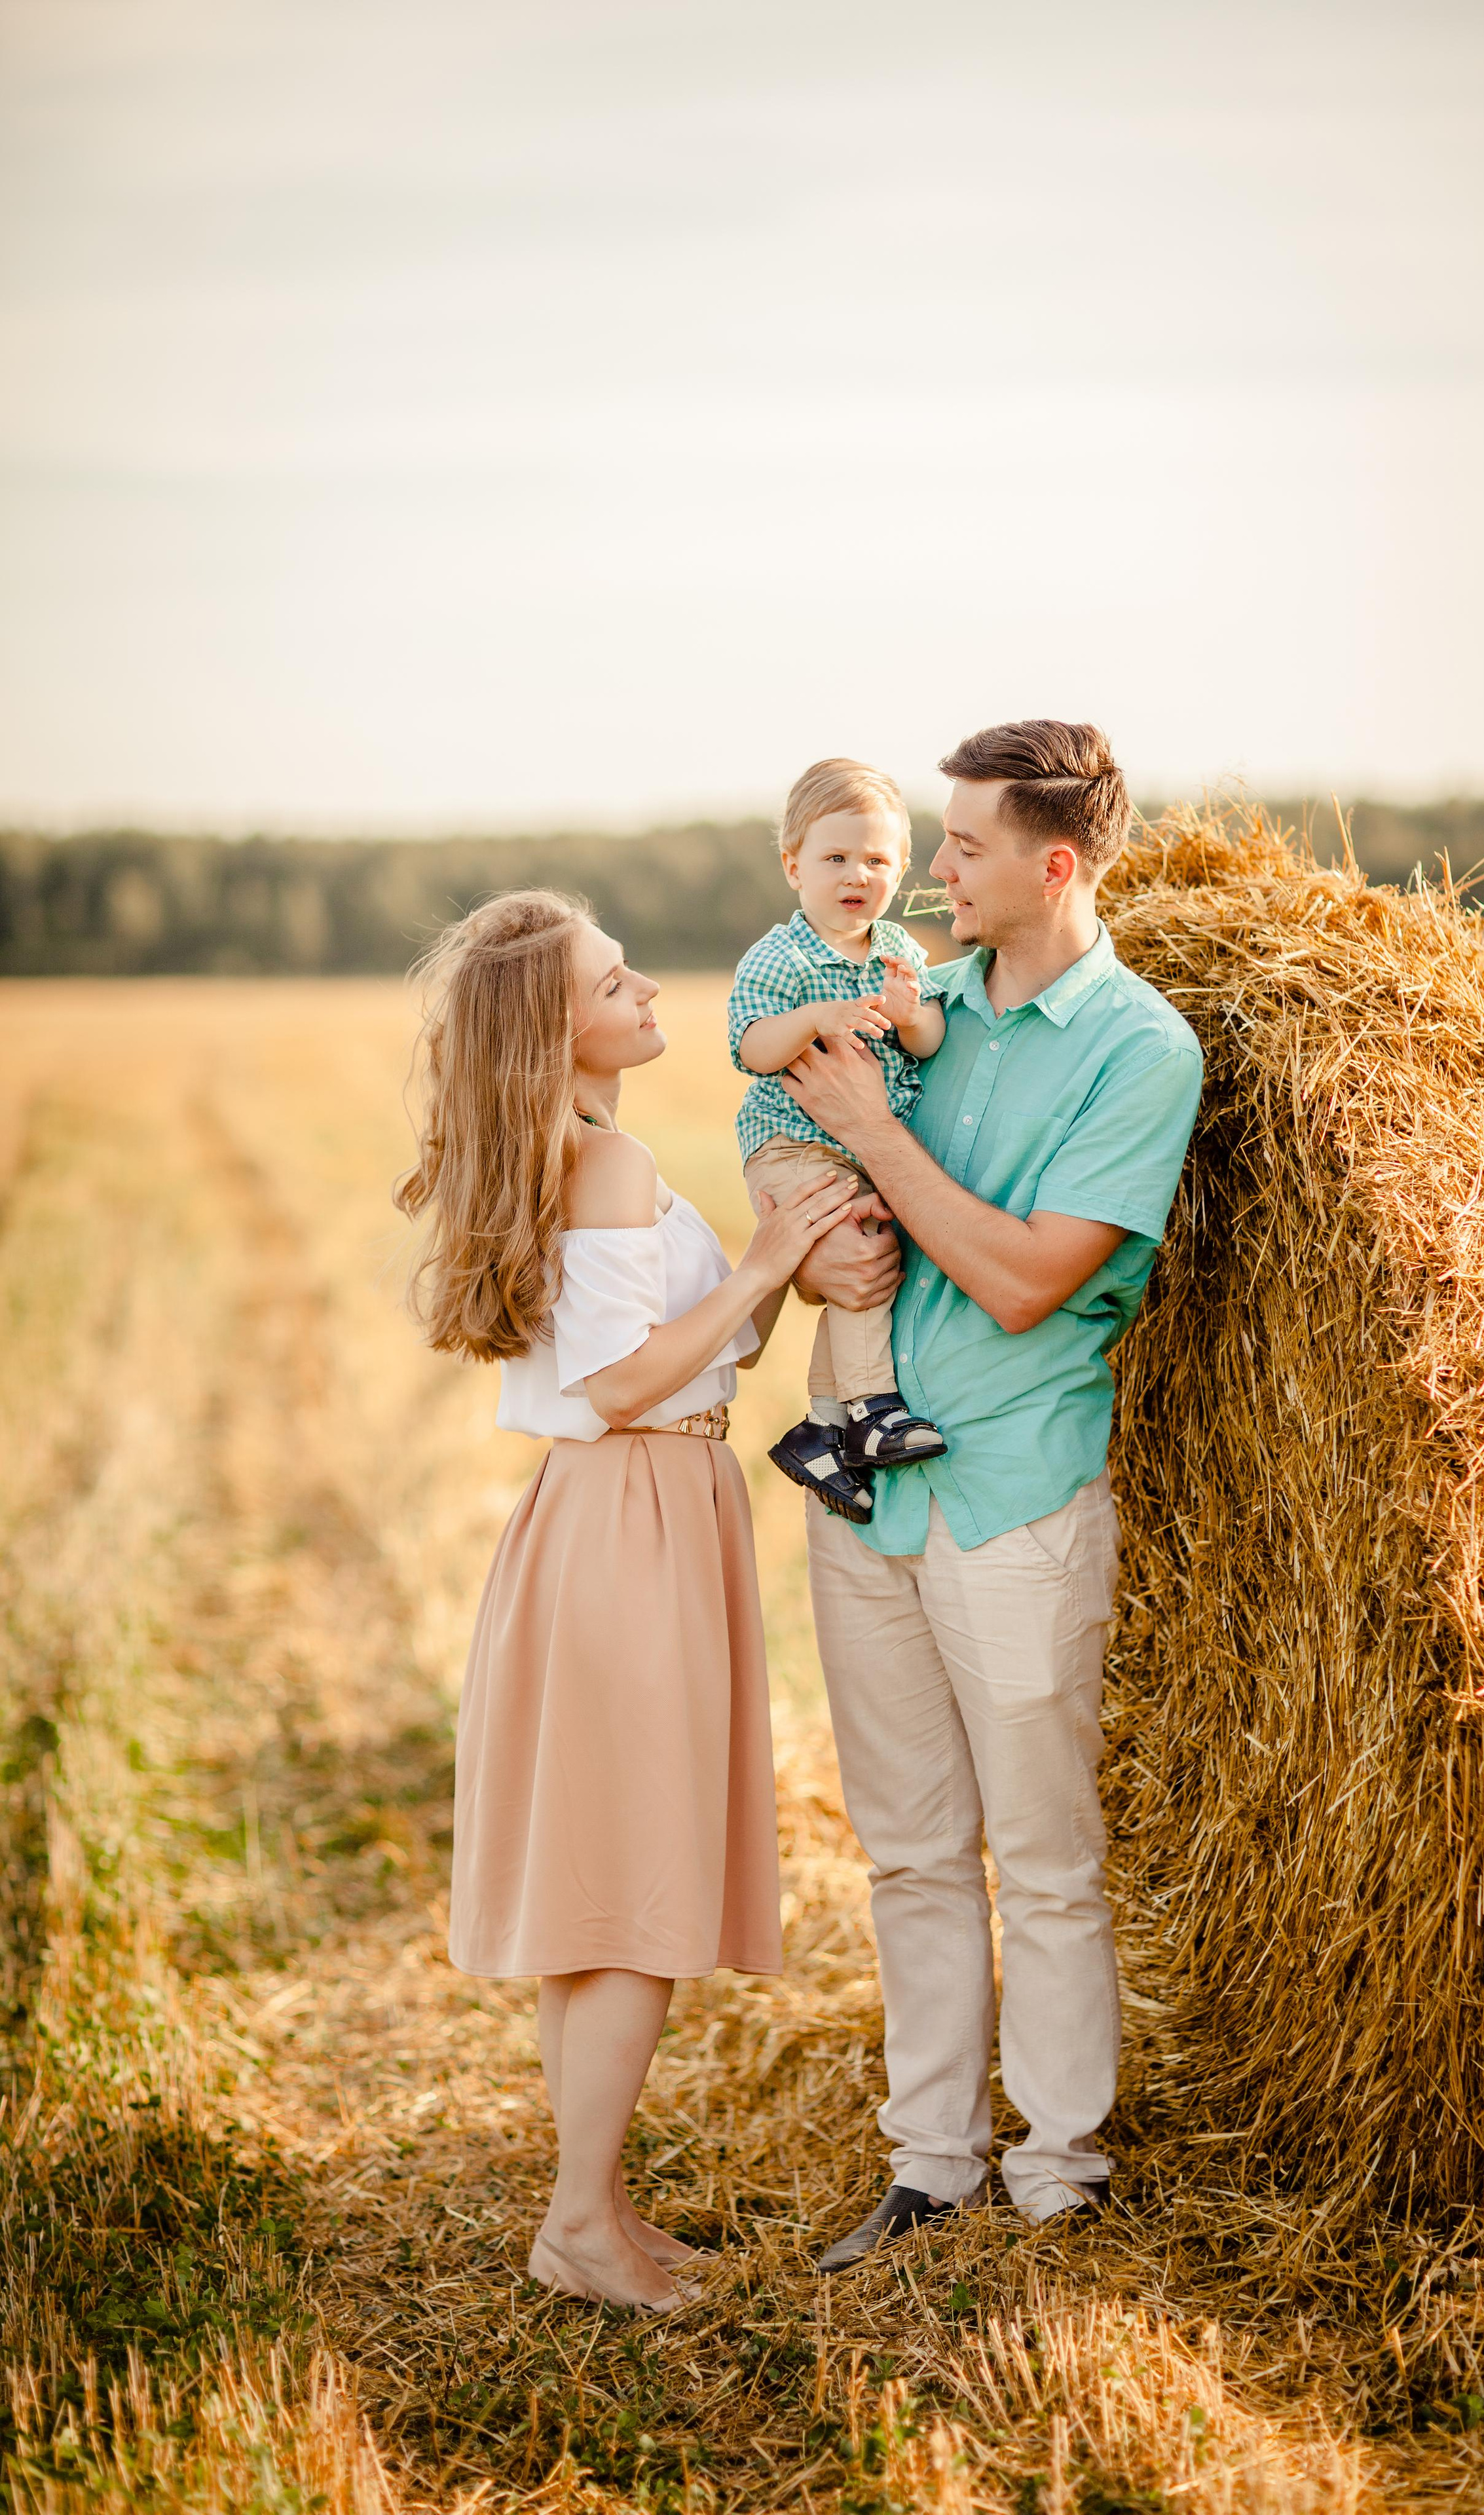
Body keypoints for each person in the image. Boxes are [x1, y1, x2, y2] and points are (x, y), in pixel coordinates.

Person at [394, 889, 866, 2311]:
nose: (649, 987)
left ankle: (592, 2208)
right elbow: (616, 1384)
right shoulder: (606, 1160)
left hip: (620, 1513)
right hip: (632, 1514)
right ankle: (577, 2230)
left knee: (601, 1891)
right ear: (557, 1031)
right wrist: (769, 1262)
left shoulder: (582, 1149)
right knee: (630, 1897)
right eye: (614, 981)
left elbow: (689, 1351)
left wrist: (777, 1266)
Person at [782, 722, 1203, 2265]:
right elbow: (816, 1204)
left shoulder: (1139, 1050)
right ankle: (930, 2162)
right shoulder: (910, 1005)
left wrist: (871, 1134)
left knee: (1041, 1859)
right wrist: (817, 1249)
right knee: (905, 1851)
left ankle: (1058, 2166)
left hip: (1015, 1502)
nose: (933, 870)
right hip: (862, 1495)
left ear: (1054, 862)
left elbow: (1028, 1281)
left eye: (962, 846)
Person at [730, 757, 948, 1526]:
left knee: (864, 1260)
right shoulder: (782, 957)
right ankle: (871, 1408)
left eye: (877, 860)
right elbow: (752, 1046)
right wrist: (817, 1019)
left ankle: (823, 1430)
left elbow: (927, 1042)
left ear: (901, 869)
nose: (857, 874)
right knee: (861, 1254)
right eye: (835, 858)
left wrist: (912, 1013)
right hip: (791, 1147)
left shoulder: (899, 953)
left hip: (854, 1152)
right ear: (794, 866)